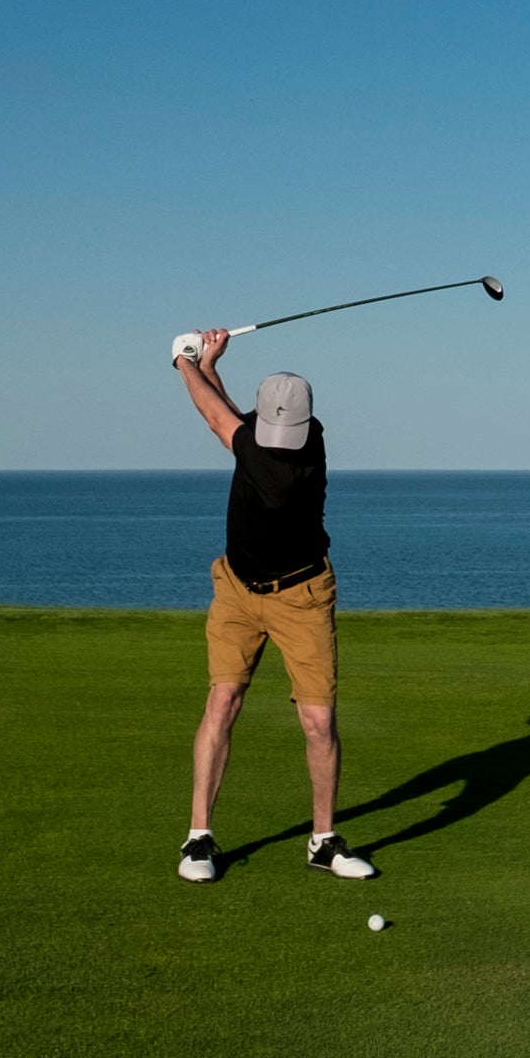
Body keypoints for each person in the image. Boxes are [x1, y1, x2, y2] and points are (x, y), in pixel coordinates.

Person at [172, 327, 376, 884]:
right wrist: (211, 363)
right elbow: (230, 418)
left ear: (307, 427)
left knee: (318, 720)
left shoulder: (294, 451)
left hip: (303, 596)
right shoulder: (269, 435)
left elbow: (220, 420)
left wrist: (183, 361)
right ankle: (198, 839)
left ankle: (324, 840)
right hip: (237, 591)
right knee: (223, 700)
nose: (283, 439)